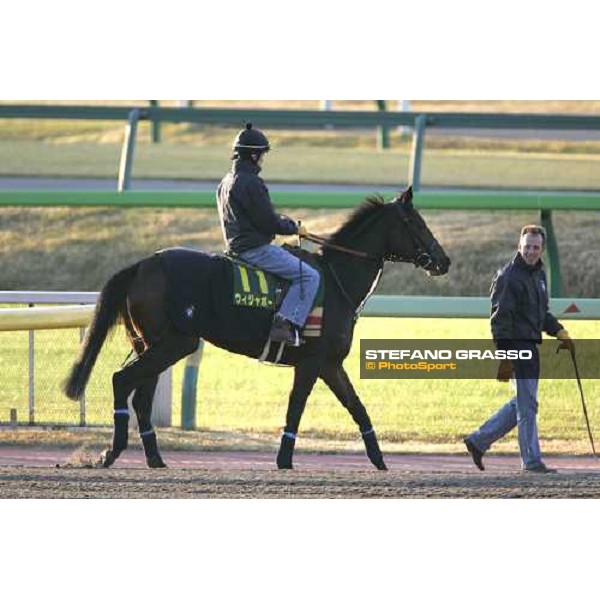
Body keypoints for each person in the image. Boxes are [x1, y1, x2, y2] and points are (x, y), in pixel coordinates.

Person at [464, 224, 575, 474]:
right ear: (519, 246)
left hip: (531, 347)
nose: (531, 251)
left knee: (523, 403)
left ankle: (478, 440)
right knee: (527, 406)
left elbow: (540, 314)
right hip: (516, 347)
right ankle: (531, 461)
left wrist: (559, 331)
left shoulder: (538, 275)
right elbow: (499, 321)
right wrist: (505, 357)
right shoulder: (509, 277)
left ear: (542, 249)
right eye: (527, 247)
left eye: (536, 247)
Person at [216, 123, 320, 346]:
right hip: (255, 251)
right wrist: (292, 227)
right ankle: (284, 323)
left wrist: (282, 222)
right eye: (262, 155)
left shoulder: (225, 181)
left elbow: (260, 216)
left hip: (234, 249)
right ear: (254, 156)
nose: (263, 160)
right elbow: (268, 222)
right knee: (309, 276)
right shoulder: (252, 183)